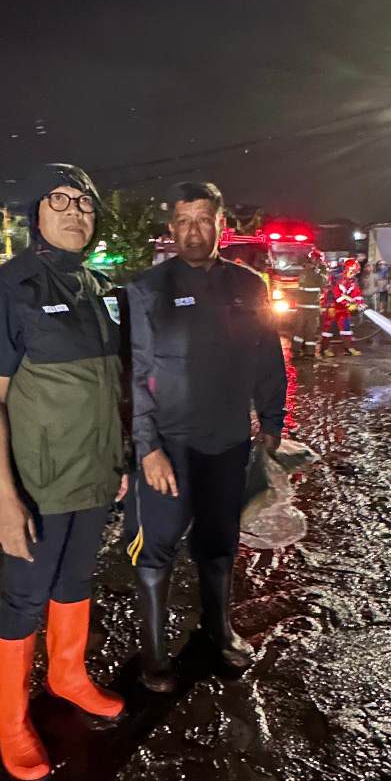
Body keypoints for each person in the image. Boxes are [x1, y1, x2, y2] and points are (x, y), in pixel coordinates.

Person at [0, 164, 126, 781]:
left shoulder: (103, 288)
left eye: (84, 202)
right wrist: (4, 499)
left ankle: (67, 676)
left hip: (94, 472)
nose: (74, 211)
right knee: (25, 598)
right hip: (39, 481)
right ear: (37, 213)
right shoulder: (8, 289)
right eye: (59, 200)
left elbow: (111, 385)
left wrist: (119, 456)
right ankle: (10, 720)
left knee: (78, 579)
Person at [126, 181, 288, 691]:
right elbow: (130, 375)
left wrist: (272, 416)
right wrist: (146, 446)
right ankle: (153, 653)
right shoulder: (147, 289)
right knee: (157, 547)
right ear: (170, 228)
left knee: (219, 542)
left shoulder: (249, 286)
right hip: (169, 444)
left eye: (204, 220)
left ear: (223, 224)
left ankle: (217, 629)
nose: (193, 231)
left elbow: (266, 354)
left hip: (227, 439)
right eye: (182, 221)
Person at [320, 258, 365, 356]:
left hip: (343, 308)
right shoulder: (336, 278)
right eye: (352, 272)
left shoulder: (353, 280)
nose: (354, 274)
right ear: (347, 269)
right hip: (332, 306)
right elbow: (337, 295)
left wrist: (360, 303)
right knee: (328, 328)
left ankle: (348, 348)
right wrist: (349, 304)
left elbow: (356, 293)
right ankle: (324, 349)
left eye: (355, 272)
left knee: (346, 327)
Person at [289, 252, 326, 359]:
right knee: (311, 330)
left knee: (299, 329)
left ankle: (296, 350)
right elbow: (323, 282)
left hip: (301, 306)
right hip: (312, 307)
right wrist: (321, 269)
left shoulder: (304, 271)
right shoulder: (315, 272)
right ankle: (309, 352)